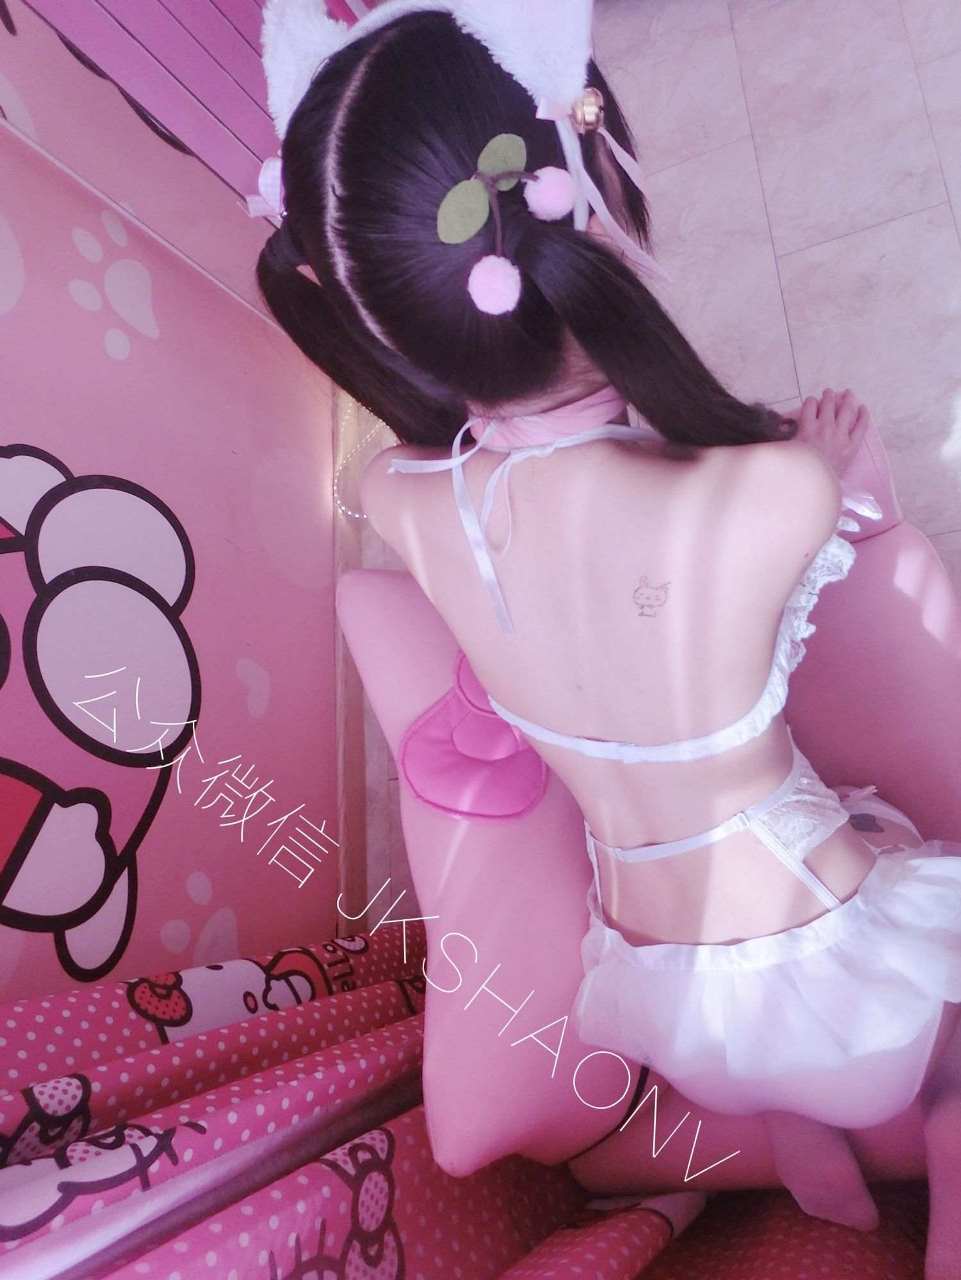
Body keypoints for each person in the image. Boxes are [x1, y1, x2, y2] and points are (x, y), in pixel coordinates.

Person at [255, 4, 961, 1275]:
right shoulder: (767, 492)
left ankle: (798, 1138)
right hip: (835, 989)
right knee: (920, 921)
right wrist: (834, 465)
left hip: (657, 1001)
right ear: (588, 204)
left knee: (798, 1002)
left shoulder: (401, 498)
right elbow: (838, 547)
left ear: (386, 326)